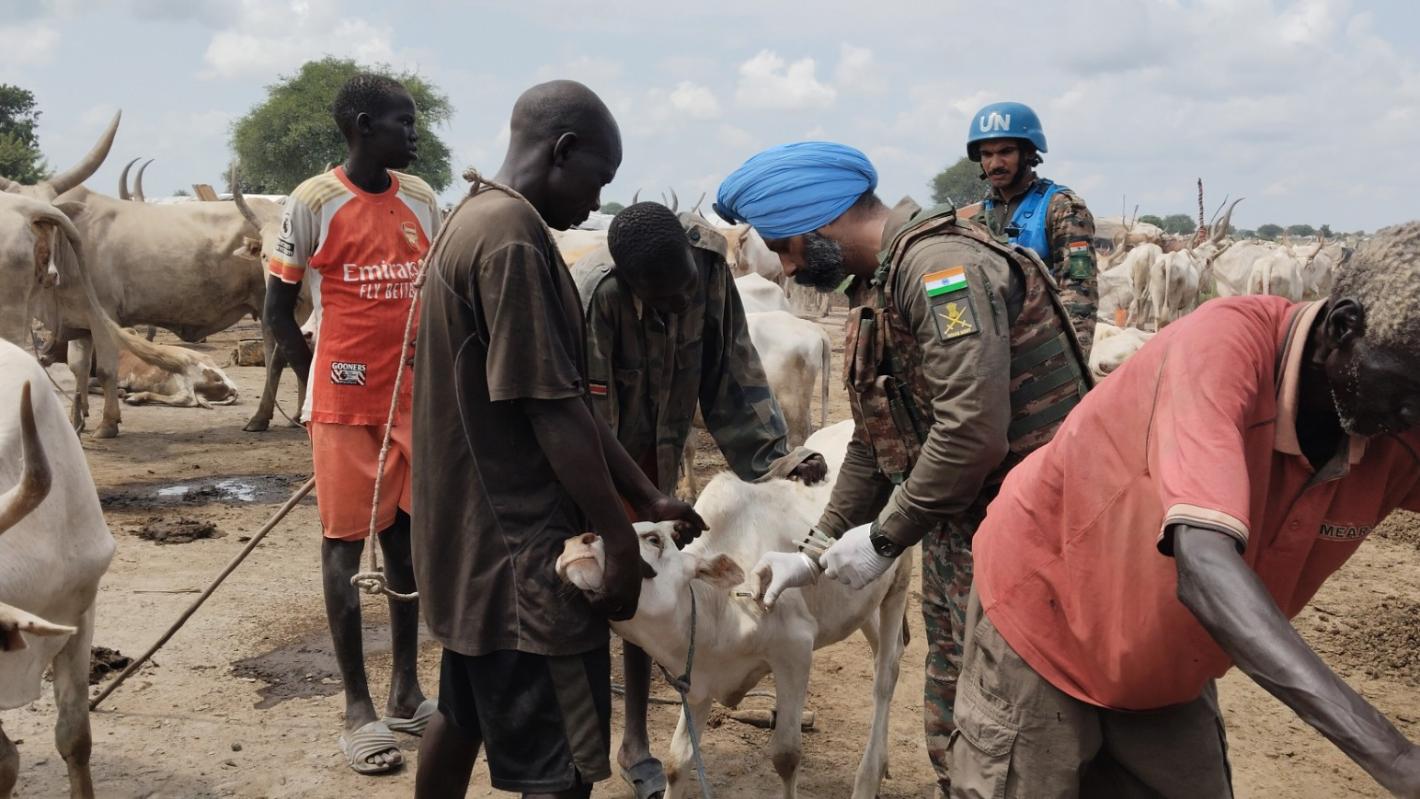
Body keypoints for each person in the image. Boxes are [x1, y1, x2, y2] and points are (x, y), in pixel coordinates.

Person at [949, 222, 1420, 797]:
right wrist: (1399, 761)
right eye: (1409, 388)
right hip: (1050, 615)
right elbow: (1203, 565)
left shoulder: (1395, 417)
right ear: (1342, 328)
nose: (1414, 413)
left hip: (1169, 655)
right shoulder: (1221, 348)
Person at [716, 141, 1090, 796]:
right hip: (962, 533)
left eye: (786, 245)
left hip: (1032, 544)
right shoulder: (880, 287)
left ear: (819, 220)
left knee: (1017, 735)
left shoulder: (941, 273)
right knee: (958, 719)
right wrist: (815, 550)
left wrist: (885, 536)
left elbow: (971, 432)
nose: (786, 265)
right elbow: (872, 438)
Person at [409, 80, 705, 799]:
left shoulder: (474, 216)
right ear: (562, 150)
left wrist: (647, 495)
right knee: (564, 769)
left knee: (462, 712)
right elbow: (552, 411)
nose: (596, 202)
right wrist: (619, 537)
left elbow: (563, 397)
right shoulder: (511, 240)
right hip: (525, 561)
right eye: (597, 179)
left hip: (472, 550)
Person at [571, 200, 828, 797]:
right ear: (633, 285)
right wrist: (626, 503)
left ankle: (637, 738)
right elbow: (585, 418)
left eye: (686, 288)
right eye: (665, 300)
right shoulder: (595, 295)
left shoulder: (710, 266)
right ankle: (587, 741)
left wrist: (776, 457)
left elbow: (731, 368)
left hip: (661, 457)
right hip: (596, 462)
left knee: (652, 595)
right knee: (599, 591)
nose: (683, 304)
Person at [264, 73, 440, 775]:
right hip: (342, 403)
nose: (415, 133)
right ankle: (358, 708)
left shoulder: (424, 200)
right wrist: (318, 389)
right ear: (364, 125)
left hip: (410, 400)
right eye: (404, 121)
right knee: (344, 547)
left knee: (405, 543)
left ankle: (406, 689)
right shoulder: (313, 201)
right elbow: (279, 309)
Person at [960, 101, 1098, 352]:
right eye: (986, 155)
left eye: (1006, 152)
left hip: (1046, 351)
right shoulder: (980, 216)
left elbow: (1079, 294)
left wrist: (1073, 360)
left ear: (1029, 153)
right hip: (995, 353)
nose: (995, 163)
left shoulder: (1062, 208)